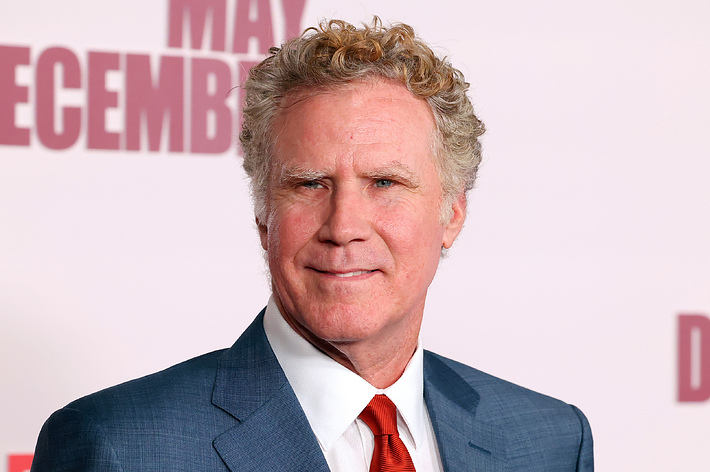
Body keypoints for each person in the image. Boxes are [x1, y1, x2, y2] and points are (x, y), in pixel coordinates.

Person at [31, 18, 594, 471]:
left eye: (384, 183)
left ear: (452, 214)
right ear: (263, 215)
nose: (343, 225)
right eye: (309, 184)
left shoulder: (549, 442)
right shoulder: (115, 449)